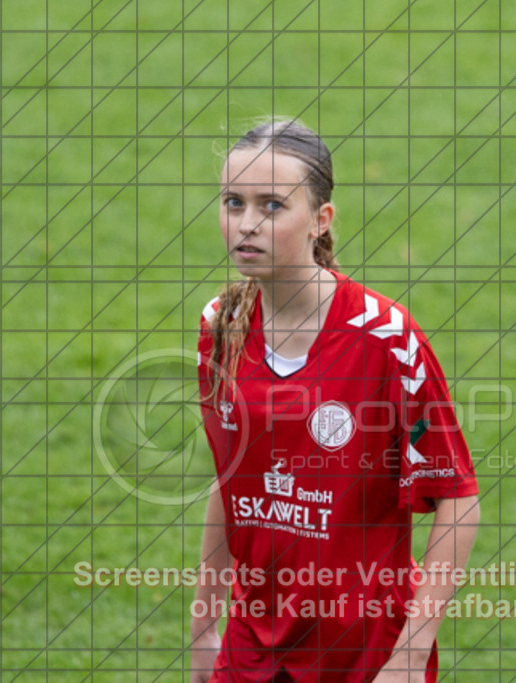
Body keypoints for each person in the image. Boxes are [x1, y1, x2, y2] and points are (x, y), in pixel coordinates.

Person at [191, 118, 479, 682]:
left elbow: (457, 497)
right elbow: (231, 481)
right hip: (251, 651)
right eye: (233, 202)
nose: (246, 225)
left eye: (272, 206)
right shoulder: (220, 325)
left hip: (364, 654)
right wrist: (205, 624)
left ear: (320, 220)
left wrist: (410, 657)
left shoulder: (387, 340)